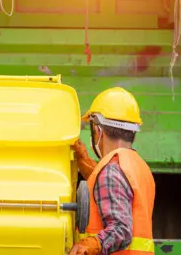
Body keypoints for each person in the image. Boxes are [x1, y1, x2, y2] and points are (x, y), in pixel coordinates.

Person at [70, 87, 155, 255]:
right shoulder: (136, 165)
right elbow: (113, 192)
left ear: (98, 131)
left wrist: (91, 244)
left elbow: (121, 230)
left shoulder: (111, 171)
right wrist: (87, 164)